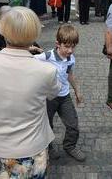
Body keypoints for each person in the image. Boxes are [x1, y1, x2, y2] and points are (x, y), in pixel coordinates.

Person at [0, 7, 60, 178]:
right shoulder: (47, 71)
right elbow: (54, 93)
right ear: (34, 34)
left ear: (3, 30)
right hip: (32, 149)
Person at [35, 25, 86, 161]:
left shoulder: (71, 59)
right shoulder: (47, 56)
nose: (70, 50)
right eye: (67, 46)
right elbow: (30, 62)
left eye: (73, 47)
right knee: (47, 125)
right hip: (49, 98)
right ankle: (48, 148)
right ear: (58, 44)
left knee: (73, 124)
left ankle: (69, 146)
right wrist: (30, 48)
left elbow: (70, 75)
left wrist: (77, 91)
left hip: (64, 96)